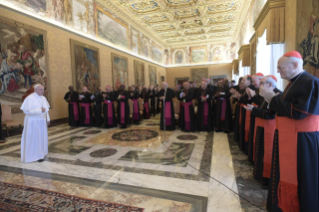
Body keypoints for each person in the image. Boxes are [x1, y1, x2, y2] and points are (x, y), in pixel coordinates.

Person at [260, 51, 319, 212]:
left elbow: (298, 112)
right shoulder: (294, 82)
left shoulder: (309, 82)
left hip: (301, 141)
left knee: (302, 179)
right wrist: (270, 98)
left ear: (294, 65)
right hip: (289, 136)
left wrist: (271, 98)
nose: (278, 71)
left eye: (280, 67)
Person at [244, 75, 281, 188]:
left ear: (270, 84)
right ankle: (260, 175)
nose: (259, 85)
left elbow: (270, 114)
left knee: (268, 153)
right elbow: (263, 108)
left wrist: (254, 110)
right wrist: (254, 108)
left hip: (270, 128)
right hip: (262, 126)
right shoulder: (266, 94)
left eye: (262, 83)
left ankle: (267, 178)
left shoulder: (277, 95)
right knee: (261, 152)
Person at [20, 84, 50, 163]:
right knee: (35, 139)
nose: (43, 91)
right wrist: (39, 110)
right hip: (33, 122)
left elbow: (46, 110)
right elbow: (26, 111)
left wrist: (48, 119)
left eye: (43, 89)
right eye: (41, 90)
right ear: (35, 90)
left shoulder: (43, 98)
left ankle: (41, 153)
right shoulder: (29, 98)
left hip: (42, 122)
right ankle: (34, 155)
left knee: (41, 138)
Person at [245, 73, 264, 162]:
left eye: (254, 81)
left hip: (262, 118)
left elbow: (261, 104)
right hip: (255, 114)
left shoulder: (262, 90)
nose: (253, 83)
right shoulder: (257, 89)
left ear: (260, 80)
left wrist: (253, 96)